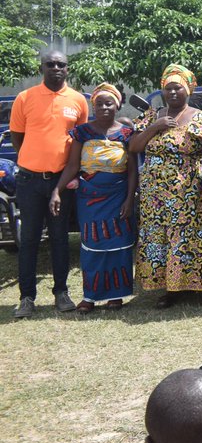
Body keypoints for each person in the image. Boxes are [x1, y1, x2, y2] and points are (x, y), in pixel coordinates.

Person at [130, 64, 202, 308]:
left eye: (177, 87)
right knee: (160, 236)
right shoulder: (152, 115)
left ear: (188, 89)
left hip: (186, 190)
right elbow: (134, 147)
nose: (172, 93)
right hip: (154, 193)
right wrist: (154, 128)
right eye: (168, 89)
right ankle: (171, 289)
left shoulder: (201, 117)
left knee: (190, 235)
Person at [10, 50, 89, 319]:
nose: (56, 68)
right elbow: (17, 139)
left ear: (68, 69)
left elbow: (80, 142)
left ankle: (61, 293)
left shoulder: (78, 100)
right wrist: (33, 161)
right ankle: (27, 298)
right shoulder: (25, 98)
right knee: (29, 239)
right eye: (50, 64)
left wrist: (63, 176)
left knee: (59, 238)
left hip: (62, 181)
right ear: (42, 68)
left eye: (61, 64)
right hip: (29, 181)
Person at [48, 84, 138, 313]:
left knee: (119, 246)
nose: (104, 107)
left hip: (118, 196)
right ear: (93, 106)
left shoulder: (127, 134)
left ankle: (116, 296)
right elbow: (73, 165)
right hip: (89, 198)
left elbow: (132, 171)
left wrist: (129, 200)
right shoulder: (83, 133)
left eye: (109, 103)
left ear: (117, 105)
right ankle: (90, 296)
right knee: (92, 246)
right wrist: (57, 190)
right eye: (99, 103)